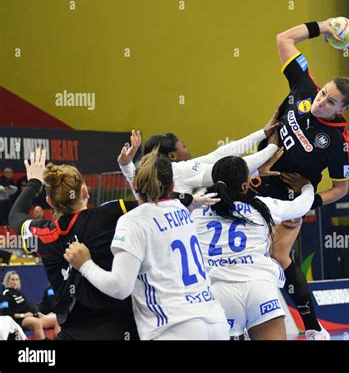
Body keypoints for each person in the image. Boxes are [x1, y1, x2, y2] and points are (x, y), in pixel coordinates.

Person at [252, 18, 349, 338]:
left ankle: (314, 329)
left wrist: (308, 201)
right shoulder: (305, 87)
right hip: (258, 175)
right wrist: (325, 27)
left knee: (278, 256)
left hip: (291, 197)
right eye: (324, 94)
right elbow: (283, 38)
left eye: (330, 102)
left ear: (341, 109)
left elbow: (341, 188)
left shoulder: (338, 141)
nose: (321, 102)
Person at [64, 150, 230, 340]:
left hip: (173, 328)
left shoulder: (132, 221)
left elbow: (119, 287)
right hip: (215, 321)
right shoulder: (181, 209)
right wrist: (126, 167)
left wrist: (85, 264)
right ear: (173, 185)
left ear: (136, 184)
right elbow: (148, 197)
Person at [9, 149, 139, 340]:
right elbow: (151, 203)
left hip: (73, 334)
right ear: (85, 192)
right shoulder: (110, 215)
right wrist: (128, 167)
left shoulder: (45, 234)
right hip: (122, 328)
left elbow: (15, 216)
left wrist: (34, 182)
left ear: (49, 202)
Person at [192, 156, 315, 339]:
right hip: (260, 288)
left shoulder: (194, 209)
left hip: (218, 292)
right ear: (244, 186)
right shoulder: (262, 206)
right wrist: (307, 186)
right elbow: (303, 204)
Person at [119, 114, 281, 195]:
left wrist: (262, 133)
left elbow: (218, 155)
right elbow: (228, 169)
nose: (187, 149)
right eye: (183, 146)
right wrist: (272, 147)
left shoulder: (147, 182)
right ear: (172, 157)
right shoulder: (180, 171)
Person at [1, 271, 60, 339]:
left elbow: (27, 306)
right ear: (7, 281)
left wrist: (37, 313)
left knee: (57, 319)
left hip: (30, 317)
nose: (15, 282)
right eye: (13, 279)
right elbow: (6, 313)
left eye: (17, 279)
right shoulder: (5, 294)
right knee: (36, 323)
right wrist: (23, 315)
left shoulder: (19, 293)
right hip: (18, 320)